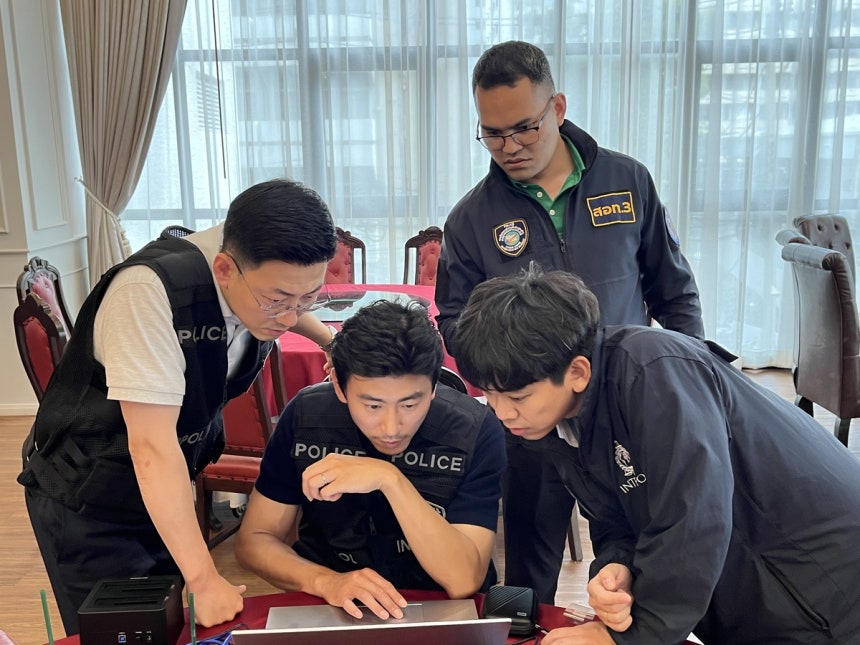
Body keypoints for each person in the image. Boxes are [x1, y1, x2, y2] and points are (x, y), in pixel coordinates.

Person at [451, 264, 860, 644]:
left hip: (821, 588)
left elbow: (694, 518)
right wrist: (618, 567)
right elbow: (616, 517)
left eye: (517, 396)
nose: (502, 413)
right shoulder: (560, 420)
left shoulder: (653, 371)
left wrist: (623, 637)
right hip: (751, 591)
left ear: (577, 372)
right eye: (490, 394)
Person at [434, 40, 705, 604]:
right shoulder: (471, 218)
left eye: (525, 128)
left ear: (557, 108)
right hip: (533, 421)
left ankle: (627, 634)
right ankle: (524, 636)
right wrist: (508, 377)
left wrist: (687, 379)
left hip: (626, 409)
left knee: (633, 553)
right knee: (527, 566)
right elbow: (454, 323)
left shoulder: (628, 181)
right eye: (492, 133)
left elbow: (674, 291)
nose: (510, 147)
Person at [18, 179, 339, 635]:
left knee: (173, 622)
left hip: (166, 485)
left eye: (308, 298)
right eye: (276, 302)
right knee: (127, 631)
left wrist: (330, 341)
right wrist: (204, 578)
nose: (289, 317)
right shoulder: (147, 295)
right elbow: (151, 447)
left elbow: (287, 294)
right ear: (225, 270)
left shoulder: (254, 263)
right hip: (91, 494)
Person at [235, 300, 506, 621]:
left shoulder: (474, 429)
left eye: (410, 405)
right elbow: (254, 541)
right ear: (339, 386)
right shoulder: (307, 415)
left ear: (433, 388)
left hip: (440, 607)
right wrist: (324, 581)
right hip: (333, 603)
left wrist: (389, 479)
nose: (391, 428)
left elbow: (462, 580)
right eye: (373, 406)